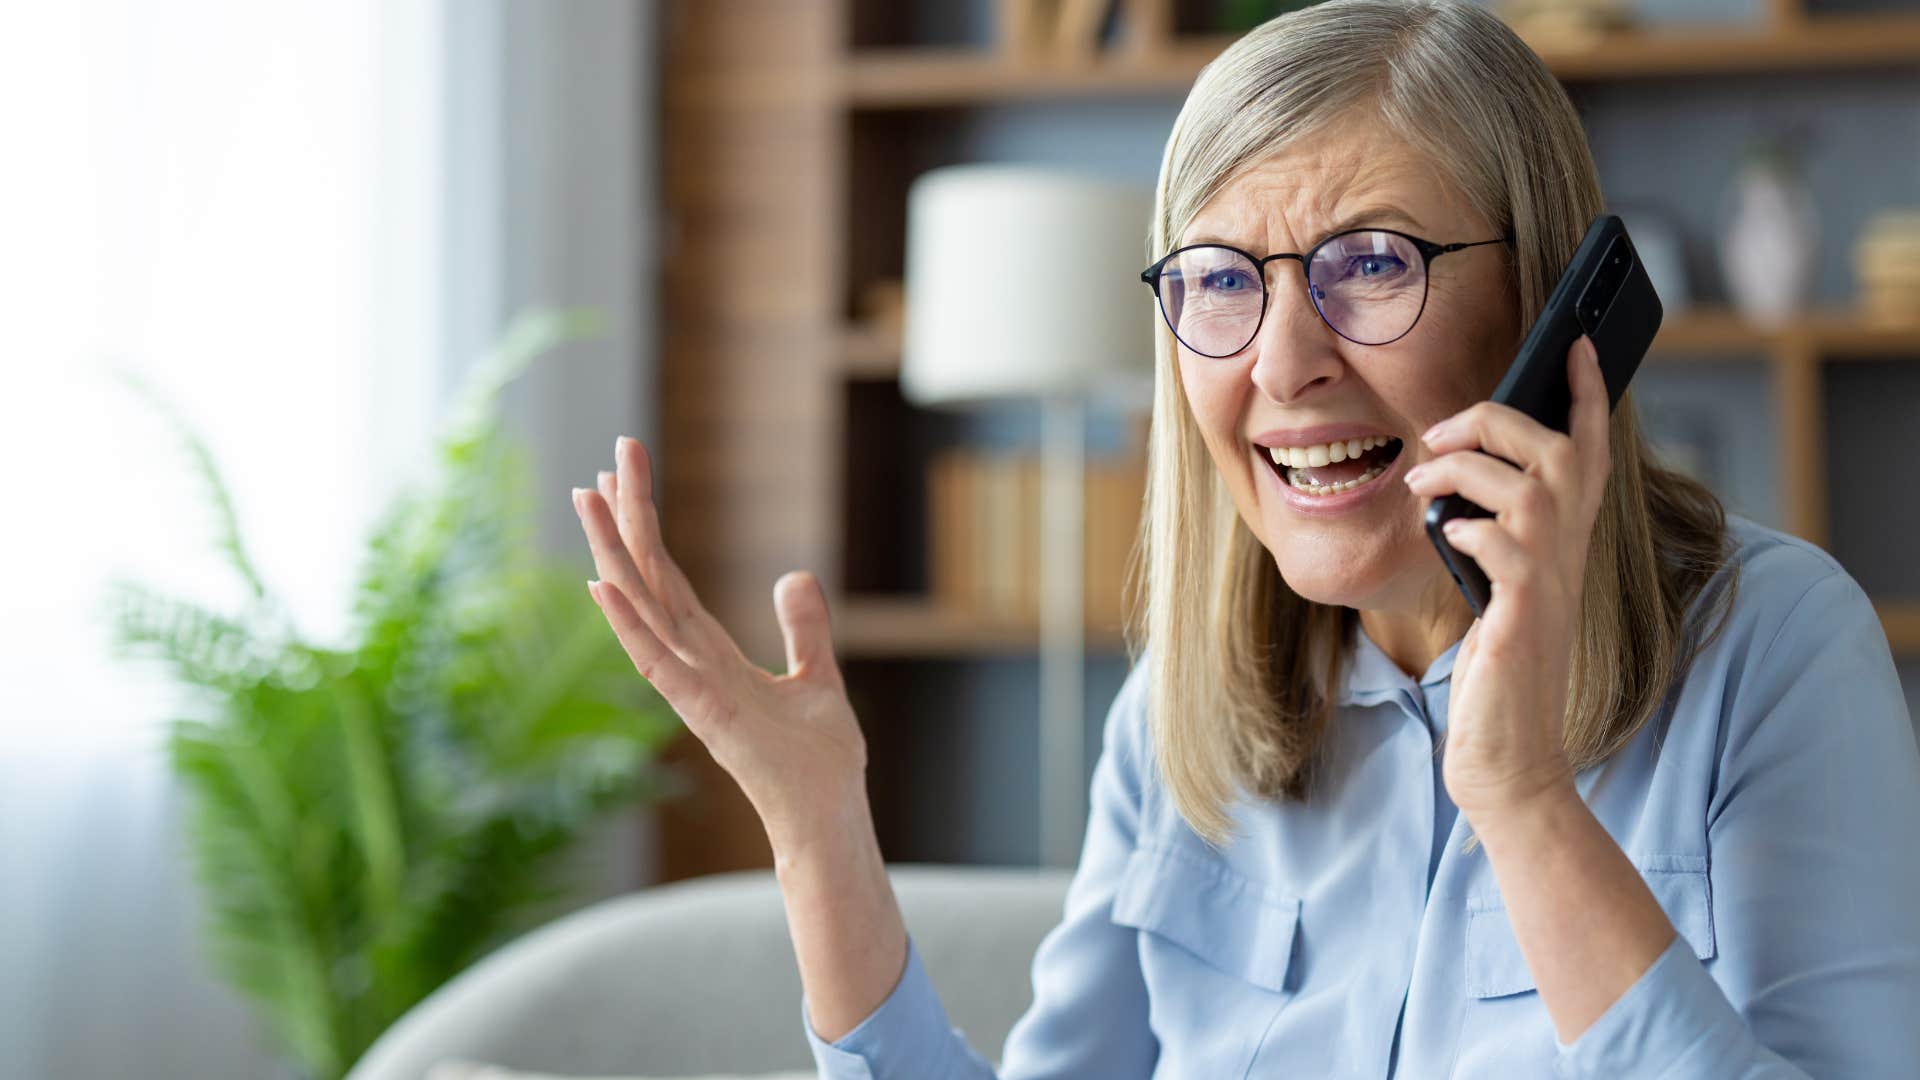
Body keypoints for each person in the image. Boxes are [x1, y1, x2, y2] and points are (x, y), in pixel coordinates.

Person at [570, 0, 1920, 1074]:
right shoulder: (1179, 709)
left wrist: (1521, 797)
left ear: (1550, 308)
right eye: (1220, 281)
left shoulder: (1774, 648)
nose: (1283, 365)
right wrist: (815, 834)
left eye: (1373, 262)